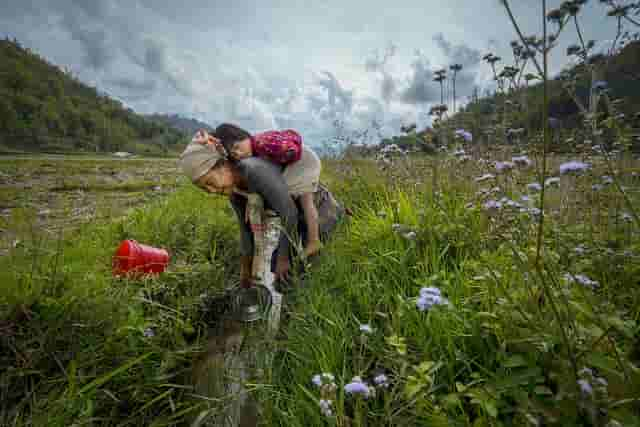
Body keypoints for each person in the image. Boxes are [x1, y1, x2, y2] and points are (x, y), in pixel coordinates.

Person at [179, 130, 337, 286]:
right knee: (282, 274)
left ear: (223, 164)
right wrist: (245, 269)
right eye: (205, 189)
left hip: (316, 208)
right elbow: (246, 231)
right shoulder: (236, 193)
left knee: (312, 266)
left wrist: (283, 259)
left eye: (210, 183)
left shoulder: (253, 170)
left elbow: (289, 214)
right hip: (294, 212)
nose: (212, 191)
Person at [209, 123, 322, 258]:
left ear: (245, 136)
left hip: (304, 162)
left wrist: (284, 156)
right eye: (234, 154)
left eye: (237, 147)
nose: (238, 154)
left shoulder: (264, 143)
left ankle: (314, 241)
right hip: (294, 163)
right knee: (290, 198)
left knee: (306, 201)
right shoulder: (252, 155)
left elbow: (291, 147)